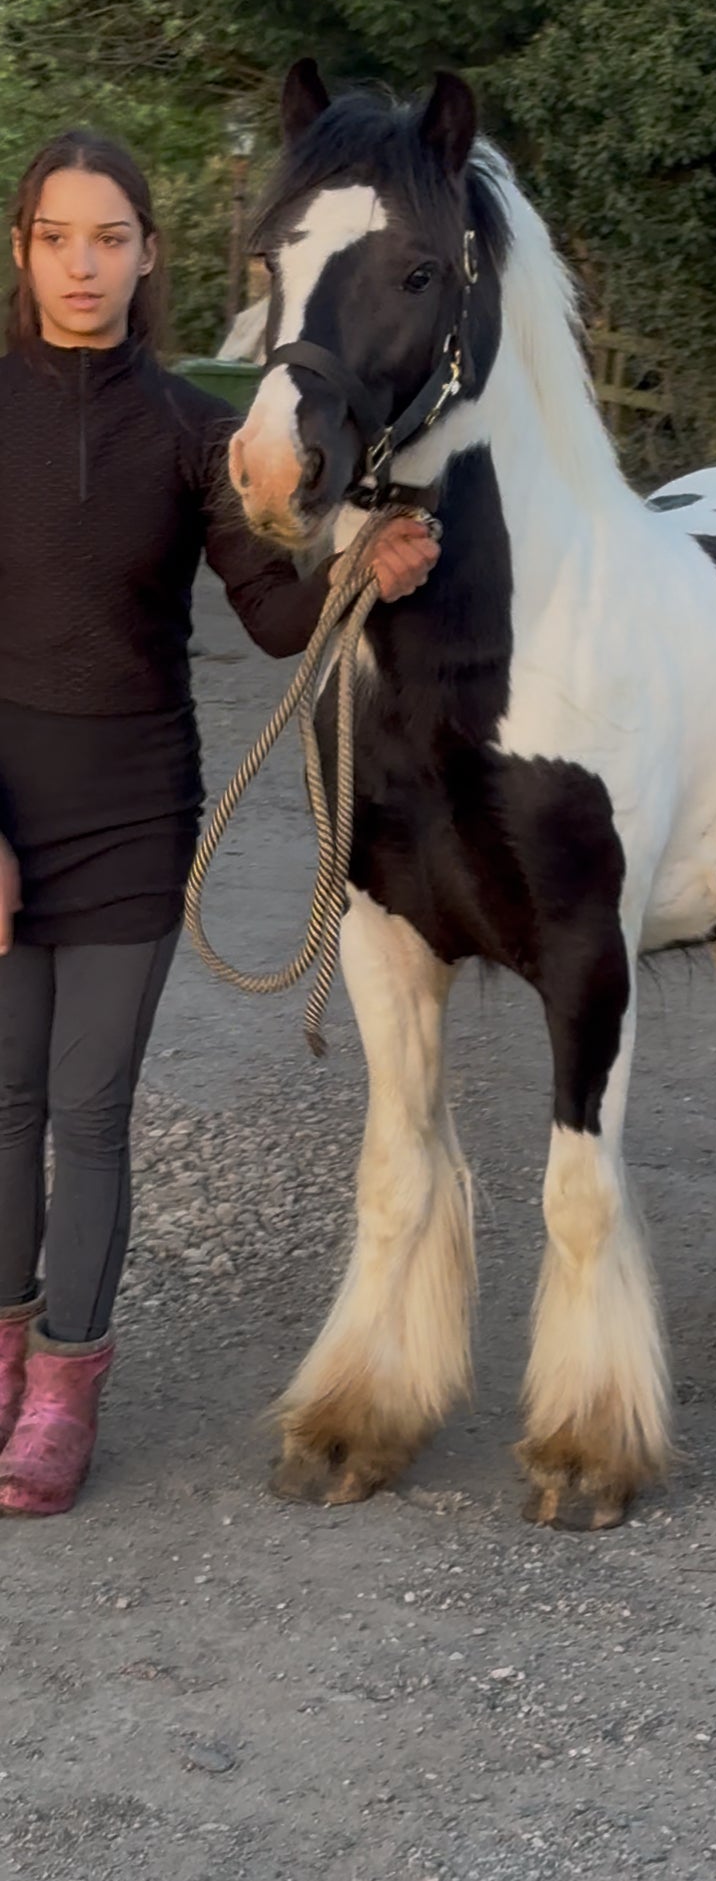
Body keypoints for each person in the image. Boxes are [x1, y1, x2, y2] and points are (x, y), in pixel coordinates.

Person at [0, 129, 440, 1517]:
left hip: (132, 806)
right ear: (23, 249)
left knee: (89, 1103)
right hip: (1, 805)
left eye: (112, 238)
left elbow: (264, 618)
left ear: (149, 254)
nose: (85, 265)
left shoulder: (195, 428)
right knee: (3, 1105)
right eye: (58, 236)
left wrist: (357, 568)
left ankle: (65, 1385)